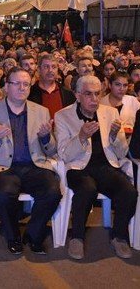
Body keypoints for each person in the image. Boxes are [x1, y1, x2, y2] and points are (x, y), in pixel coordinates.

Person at [0, 67, 61, 255]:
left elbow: (52, 150)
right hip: (4, 168)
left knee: (52, 192)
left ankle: (33, 235)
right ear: (6, 86)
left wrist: (46, 138)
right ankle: (13, 236)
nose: (22, 88)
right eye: (17, 83)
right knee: (3, 194)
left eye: (26, 84)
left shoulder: (41, 111)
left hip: (34, 166)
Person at [55, 75, 137, 260]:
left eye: (97, 94)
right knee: (87, 189)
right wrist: (81, 137)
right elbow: (64, 154)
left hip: (105, 165)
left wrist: (116, 137)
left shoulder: (111, 113)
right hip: (78, 168)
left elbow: (122, 152)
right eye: (88, 94)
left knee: (129, 191)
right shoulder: (63, 116)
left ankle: (119, 237)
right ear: (77, 95)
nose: (94, 99)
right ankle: (77, 237)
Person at [28, 54, 76, 119]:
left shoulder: (68, 94)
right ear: (39, 70)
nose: (50, 70)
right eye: (46, 67)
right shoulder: (29, 94)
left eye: (54, 67)